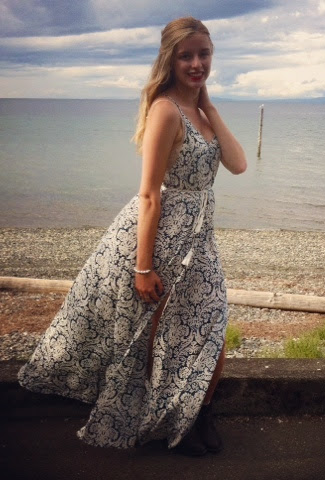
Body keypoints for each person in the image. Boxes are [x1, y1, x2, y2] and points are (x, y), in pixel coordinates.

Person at [18, 16, 247, 456]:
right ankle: (167, 423)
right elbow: (149, 194)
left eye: (204, 54)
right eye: (186, 56)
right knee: (154, 335)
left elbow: (237, 165)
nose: (196, 64)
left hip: (199, 241)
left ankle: (199, 414)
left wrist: (211, 106)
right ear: (170, 60)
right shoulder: (165, 110)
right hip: (163, 240)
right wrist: (143, 268)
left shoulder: (202, 113)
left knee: (211, 329)